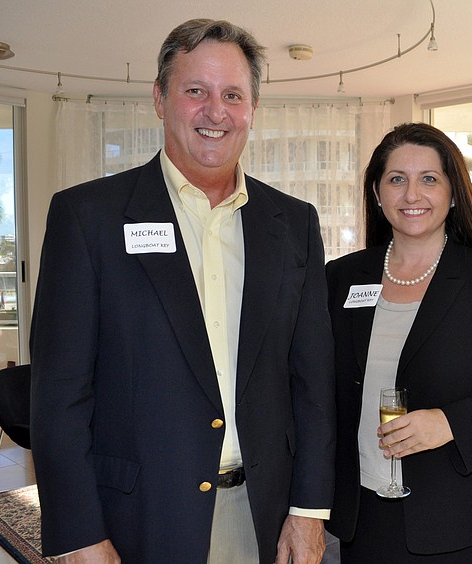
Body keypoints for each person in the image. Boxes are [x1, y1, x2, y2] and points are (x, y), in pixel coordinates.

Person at [30, 19, 335, 564]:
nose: (215, 112)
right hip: (133, 521)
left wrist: (309, 512)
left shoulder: (293, 224)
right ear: (160, 99)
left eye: (233, 95)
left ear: (252, 109)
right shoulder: (87, 218)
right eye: (196, 91)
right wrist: (79, 535)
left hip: (262, 516)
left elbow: (312, 383)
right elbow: (59, 396)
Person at [325, 122, 472, 562]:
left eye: (429, 179)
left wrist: (450, 423)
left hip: (466, 525)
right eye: (397, 179)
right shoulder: (340, 278)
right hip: (364, 521)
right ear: (377, 193)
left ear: (453, 192)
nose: (412, 195)